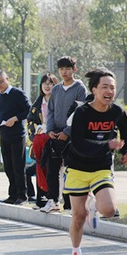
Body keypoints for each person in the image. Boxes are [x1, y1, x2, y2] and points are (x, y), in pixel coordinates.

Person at [62, 68, 127, 255]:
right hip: (77, 167)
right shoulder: (82, 113)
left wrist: (124, 150)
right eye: (104, 87)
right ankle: (76, 252)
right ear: (94, 90)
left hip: (101, 167)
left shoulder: (117, 112)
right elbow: (78, 144)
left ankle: (94, 206)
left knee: (109, 210)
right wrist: (107, 146)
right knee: (78, 217)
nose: (109, 90)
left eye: (112, 87)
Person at [42, 56, 88, 213]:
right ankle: (53, 200)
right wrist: (50, 131)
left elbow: (80, 113)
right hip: (55, 136)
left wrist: (67, 132)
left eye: (67, 68)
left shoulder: (80, 89)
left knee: (71, 171)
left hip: (72, 137)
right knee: (52, 169)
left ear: (74, 69)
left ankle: (70, 204)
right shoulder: (56, 89)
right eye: (61, 69)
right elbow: (51, 112)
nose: (64, 72)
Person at [0, 70, 31, 205]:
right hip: (4, 135)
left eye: (1, 82)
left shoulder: (17, 94)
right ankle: (12, 195)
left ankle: (22, 195)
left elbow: (28, 110)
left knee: (18, 166)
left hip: (17, 135)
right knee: (8, 167)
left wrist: (15, 118)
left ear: (7, 79)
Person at [27, 73, 59, 208]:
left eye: (50, 83)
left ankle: (54, 199)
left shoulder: (58, 100)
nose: (47, 86)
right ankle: (41, 198)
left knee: (50, 169)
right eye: (44, 83)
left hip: (55, 140)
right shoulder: (37, 104)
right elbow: (30, 121)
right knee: (39, 167)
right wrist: (36, 132)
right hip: (40, 140)